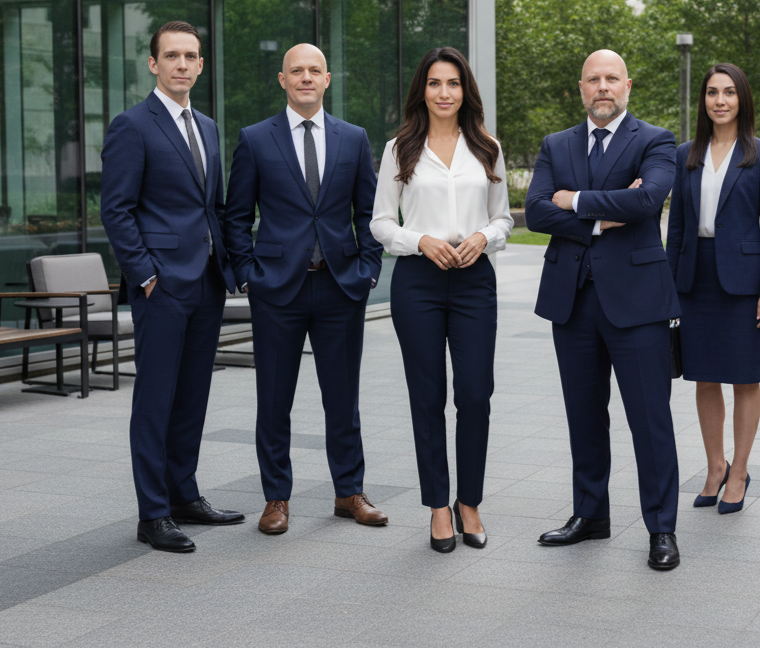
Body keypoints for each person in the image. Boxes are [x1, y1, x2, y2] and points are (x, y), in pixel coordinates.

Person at [525, 49, 681, 571]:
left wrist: (574, 200)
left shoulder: (656, 141)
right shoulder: (556, 144)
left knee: (649, 420)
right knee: (584, 418)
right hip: (573, 303)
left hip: (637, 303)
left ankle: (661, 528)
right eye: (593, 79)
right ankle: (590, 515)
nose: (603, 87)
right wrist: (597, 214)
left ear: (628, 85)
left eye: (612, 78)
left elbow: (646, 202)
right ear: (581, 87)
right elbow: (536, 211)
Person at [224, 43, 387, 535]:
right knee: (274, 400)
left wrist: (368, 271)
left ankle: (349, 493)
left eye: (314, 70)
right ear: (282, 80)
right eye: (297, 71)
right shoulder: (255, 139)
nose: (306, 78)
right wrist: (250, 274)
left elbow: (369, 213)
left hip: (340, 287)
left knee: (343, 399)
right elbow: (236, 217)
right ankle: (276, 499)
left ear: (328, 79)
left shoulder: (353, 138)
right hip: (278, 290)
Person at [101, 21, 244, 553]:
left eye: (191, 56)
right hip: (161, 286)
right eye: (172, 56)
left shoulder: (206, 125)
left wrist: (231, 268)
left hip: (206, 282)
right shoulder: (132, 126)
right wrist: (145, 273)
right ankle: (152, 513)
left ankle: (184, 494)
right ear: (153, 64)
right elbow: (116, 209)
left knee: (192, 398)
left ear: (201, 65)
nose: (182, 64)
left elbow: (216, 206)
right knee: (156, 400)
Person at [371, 47, 513, 553]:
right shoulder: (399, 149)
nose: (444, 92)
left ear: (465, 90)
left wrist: (483, 237)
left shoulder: (487, 147)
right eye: (434, 83)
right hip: (419, 282)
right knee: (427, 396)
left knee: (475, 394)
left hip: (475, 281)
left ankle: (468, 502)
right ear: (422, 91)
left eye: (452, 83)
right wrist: (421, 241)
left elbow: (504, 218)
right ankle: (437, 505)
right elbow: (381, 222)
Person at [666, 63, 760, 515]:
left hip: (744, 280)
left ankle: (740, 471)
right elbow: (675, 227)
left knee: (745, 376)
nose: (720, 101)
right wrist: (668, 287)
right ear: (704, 101)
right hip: (696, 275)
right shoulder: (685, 154)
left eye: (729, 93)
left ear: (742, 99)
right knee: (704, 374)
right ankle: (716, 466)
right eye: (713, 92)